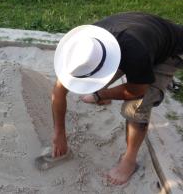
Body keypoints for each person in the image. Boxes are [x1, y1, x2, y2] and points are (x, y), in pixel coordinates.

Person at [52, 12, 183, 185]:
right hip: (140, 35)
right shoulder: (84, 46)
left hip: (169, 50)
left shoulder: (136, 54)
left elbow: (136, 91)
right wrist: (59, 132)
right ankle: (101, 93)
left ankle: (129, 160)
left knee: (136, 108)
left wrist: (100, 94)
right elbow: (58, 92)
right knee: (91, 81)